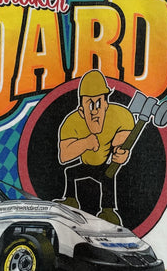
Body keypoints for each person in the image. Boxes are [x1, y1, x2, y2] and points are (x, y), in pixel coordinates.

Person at [57, 69, 135, 225]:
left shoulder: (121, 115)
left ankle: (108, 211)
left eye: (99, 103)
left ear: (106, 104)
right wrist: (85, 143)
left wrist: (122, 153)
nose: (95, 111)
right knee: (70, 171)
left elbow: (122, 142)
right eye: (90, 105)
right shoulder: (71, 122)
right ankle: (71, 200)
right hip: (86, 164)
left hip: (103, 165)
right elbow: (63, 156)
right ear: (81, 111)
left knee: (108, 177)